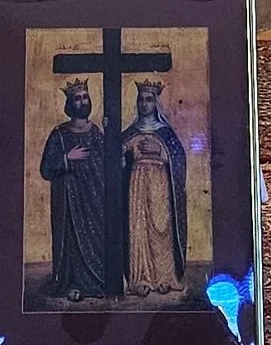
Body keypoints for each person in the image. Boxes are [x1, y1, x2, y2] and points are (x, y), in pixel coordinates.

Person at [39, 78, 119, 301]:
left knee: (97, 239)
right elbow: (45, 169)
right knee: (73, 243)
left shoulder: (95, 132)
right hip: (70, 202)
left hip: (95, 198)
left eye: (85, 97)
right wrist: (67, 158)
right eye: (77, 98)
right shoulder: (60, 134)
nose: (82, 101)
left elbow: (107, 160)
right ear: (69, 103)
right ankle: (72, 284)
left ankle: (97, 282)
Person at [120, 79, 191, 299]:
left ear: (156, 103)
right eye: (141, 99)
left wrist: (161, 152)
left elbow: (179, 159)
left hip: (160, 184)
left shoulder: (166, 133)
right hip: (137, 185)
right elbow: (118, 158)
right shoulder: (130, 132)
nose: (144, 104)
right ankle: (140, 278)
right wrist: (122, 156)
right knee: (138, 229)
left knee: (162, 229)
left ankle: (164, 277)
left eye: (149, 100)